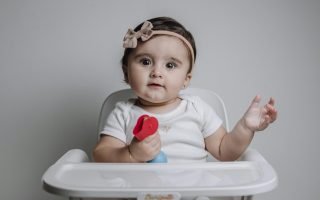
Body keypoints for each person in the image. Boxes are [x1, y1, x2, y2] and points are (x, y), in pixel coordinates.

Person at [93, 17, 277, 163]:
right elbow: (101, 155)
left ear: (186, 79)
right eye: (145, 62)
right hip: (138, 194)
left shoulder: (197, 109)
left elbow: (224, 151)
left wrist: (246, 128)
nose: (157, 72)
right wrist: (131, 155)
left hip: (192, 193)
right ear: (126, 72)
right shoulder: (123, 113)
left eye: (170, 65)